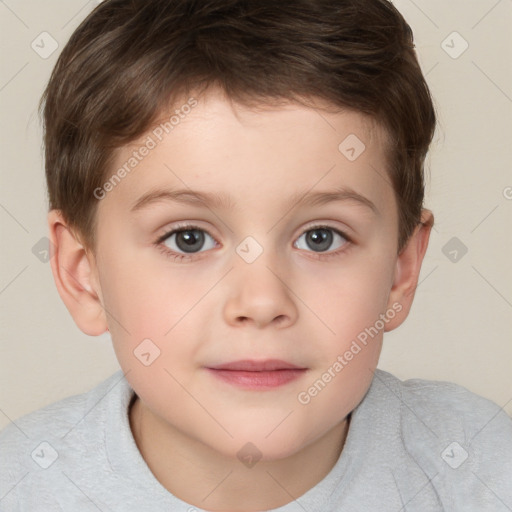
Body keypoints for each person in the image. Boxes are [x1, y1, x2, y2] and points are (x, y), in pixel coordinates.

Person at [1, 0, 511, 510]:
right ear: (83, 273)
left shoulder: (482, 471)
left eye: (321, 237)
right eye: (188, 239)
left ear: (402, 270)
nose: (262, 301)